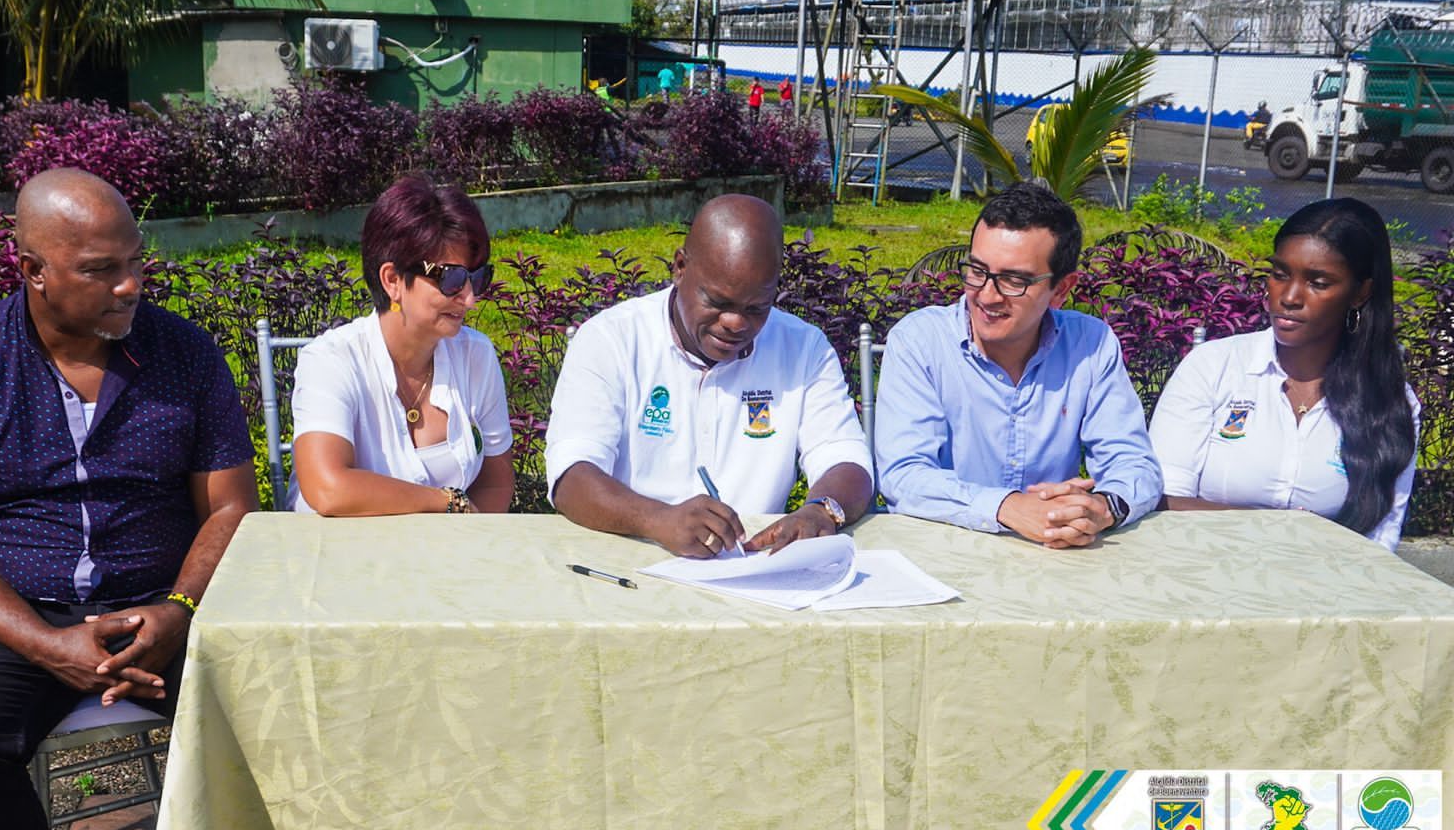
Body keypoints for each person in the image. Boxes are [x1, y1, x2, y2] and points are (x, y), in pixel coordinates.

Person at [0, 167, 258, 830]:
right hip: (14, 613)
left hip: (166, 604)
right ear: (34, 271)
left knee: (274, 715)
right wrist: (44, 643)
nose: (130, 285)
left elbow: (229, 508)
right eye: (100, 269)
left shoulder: (185, 354)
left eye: (135, 261)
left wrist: (179, 609)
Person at [546, 194, 872, 558]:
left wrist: (822, 509)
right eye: (718, 302)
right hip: (629, 559)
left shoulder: (803, 348)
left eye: (756, 308)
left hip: (757, 567)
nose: (735, 322)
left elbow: (846, 458)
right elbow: (572, 477)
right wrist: (657, 520)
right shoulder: (611, 339)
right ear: (680, 267)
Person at [874, 181, 1162, 547]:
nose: (987, 295)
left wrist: (1101, 507)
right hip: (941, 550)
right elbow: (903, 476)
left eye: (1013, 281)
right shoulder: (920, 341)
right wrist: (1008, 507)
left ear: (1061, 290)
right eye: (977, 271)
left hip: (1054, 551)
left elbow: (1134, 463)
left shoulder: (1091, 345)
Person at [1148, 197, 1418, 550]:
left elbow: (1380, 540)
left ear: (1360, 293)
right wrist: (1280, 528)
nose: (1289, 297)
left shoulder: (1390, 402)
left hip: (1328, 581)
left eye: (1318, 282)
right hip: (1201, 568)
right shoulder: (1213, 367)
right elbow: (1163, 502)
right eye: (1279, 274)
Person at [290, 175, 514, 515]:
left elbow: (495, 484)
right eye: (452, 279)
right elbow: (328, 488)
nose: (470, 299)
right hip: (337, 547)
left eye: (477, 278)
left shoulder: (475, 355)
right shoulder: (330, 361)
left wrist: (469, 539)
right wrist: (448, 502)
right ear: (393, 280)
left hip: (450, 547)